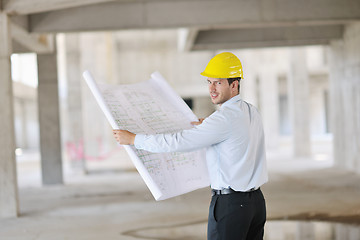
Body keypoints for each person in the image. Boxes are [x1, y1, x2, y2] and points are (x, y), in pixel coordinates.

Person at [113, 52, 268, 240]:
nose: (211, 88)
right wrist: (208, 127)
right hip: (256, 204)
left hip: (231, 205)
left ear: (234, 85)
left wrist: (134, 139)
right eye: (209, 82)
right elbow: (237, 137)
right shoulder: (251, 111)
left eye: (218, 82)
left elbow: (178, 141)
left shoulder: (223, 119)